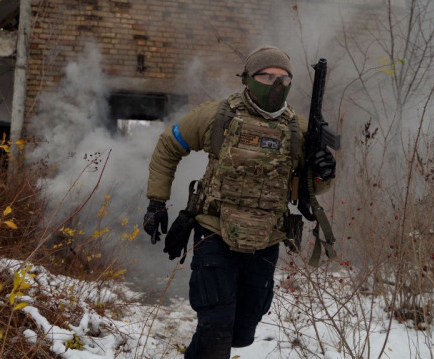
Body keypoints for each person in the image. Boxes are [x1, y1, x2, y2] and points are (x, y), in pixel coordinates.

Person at [143, 45, 336, 358]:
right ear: (248, 79)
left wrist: (324, 170)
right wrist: (156, 202)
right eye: (267, 75)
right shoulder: (218, 115)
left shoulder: (296, 129)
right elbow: (169, 145)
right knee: (215, 327)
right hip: (214, 231)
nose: (276, 83)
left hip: (266, 238)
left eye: (283, 77)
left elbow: (314, 189)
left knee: (240, 331)